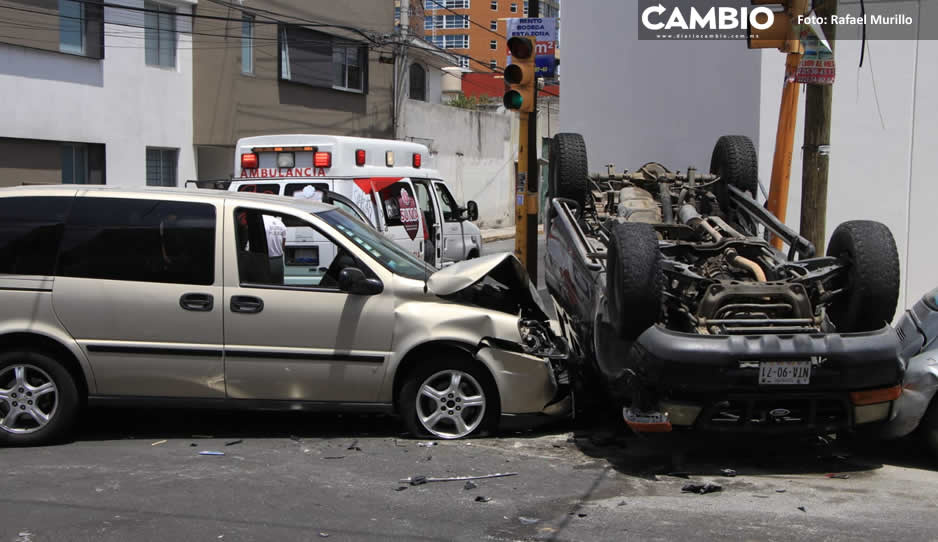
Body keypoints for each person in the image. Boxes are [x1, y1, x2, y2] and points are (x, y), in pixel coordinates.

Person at [263, 214, 287, 284]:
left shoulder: (261, 221)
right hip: (278, 260)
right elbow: (283, 245)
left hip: (264, 259)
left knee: (263, 285)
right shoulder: (280, 223)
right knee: (278, 285)